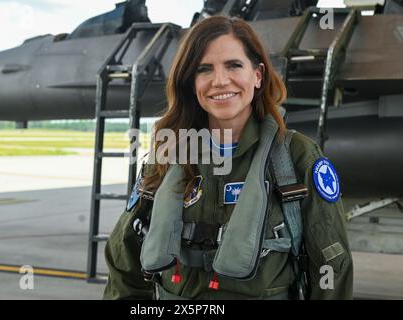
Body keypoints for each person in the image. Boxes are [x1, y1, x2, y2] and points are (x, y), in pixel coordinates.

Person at [103, 16, 353, 300]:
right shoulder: (167, 154)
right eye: (204, 69)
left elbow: (332, 264)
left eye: (234, 65)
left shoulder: (296, 158)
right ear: (191, 82)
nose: (220, 81)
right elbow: (124, 259)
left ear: (257, 75)